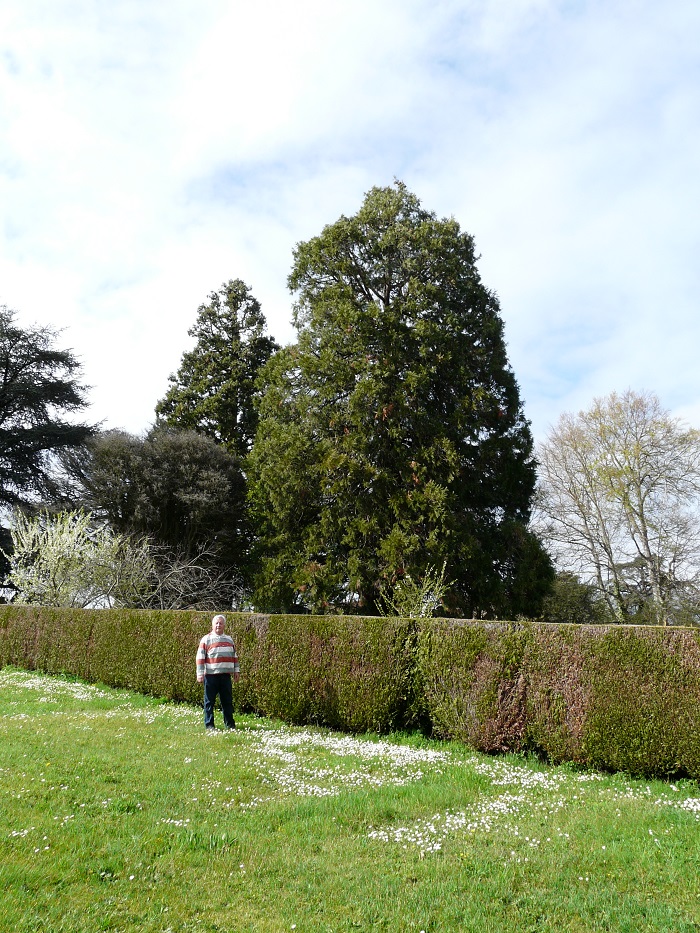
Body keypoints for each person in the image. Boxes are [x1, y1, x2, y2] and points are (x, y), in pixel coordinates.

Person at [196, 614, 240, 731]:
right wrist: (200, 674)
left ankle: (230, 725)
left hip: (225, 676)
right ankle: (209, 725)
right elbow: (200, 657)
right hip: (210, 676)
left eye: (220, 623)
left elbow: (234, 656)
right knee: (209, 702)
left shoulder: (229, 639)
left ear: (224, 625)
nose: (218, 625)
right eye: (216, 623)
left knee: (227, 702)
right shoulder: (206, 639)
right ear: (212, 625)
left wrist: (236, 671)